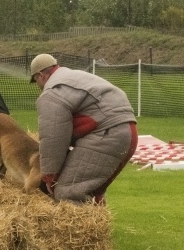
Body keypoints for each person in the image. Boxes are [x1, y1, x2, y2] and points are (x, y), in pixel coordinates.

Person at [30, 53, 139, 205]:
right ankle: (98, 217)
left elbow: (54, 138)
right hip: (125, 131)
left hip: (108, 133)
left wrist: (49, 175)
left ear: (40, 75)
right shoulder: (73, 77)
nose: (38, 86)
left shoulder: (52, 93)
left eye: (35, 80)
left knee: (67, 192)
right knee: (93, 190)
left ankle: (79, 221)